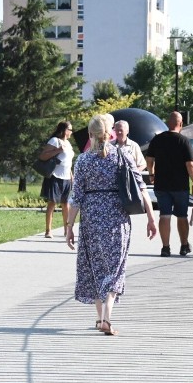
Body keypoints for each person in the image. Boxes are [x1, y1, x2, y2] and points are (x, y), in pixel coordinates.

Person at [65, 114, 156, 336]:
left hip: (92, 220)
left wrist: (69, 226)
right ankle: (106, 317)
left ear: (90, 135)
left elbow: (76, 197)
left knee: (95, 267)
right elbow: (141, 187)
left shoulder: (84, 161)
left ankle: (100, 318)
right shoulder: (123, 155)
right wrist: (151, 218)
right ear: (112, 133)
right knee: (115, 269)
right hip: (117, 219)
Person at [145, 111, 193, 257]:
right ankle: (184, 245)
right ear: (180, 124)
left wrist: (151, 174)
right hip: (180, 185)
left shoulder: (157, 140)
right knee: (182, 216)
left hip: (161, 184)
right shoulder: (184, 141)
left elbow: (149, 160)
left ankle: (165, 247)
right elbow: (190, 164)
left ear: (168, 123)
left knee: (164, 215)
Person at [39, 121, 74, 238]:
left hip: (66, 177)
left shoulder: (68, 144)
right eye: (70, 130)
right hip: (55, 176)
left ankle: (66, 230)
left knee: (66, 204)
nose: (71, 132)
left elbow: (68, 162)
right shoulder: (54, 141)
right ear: (64, 130)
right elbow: (43, 156)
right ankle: (48, 231)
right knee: (52, 203)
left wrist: (71, 176)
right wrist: (58, 150)